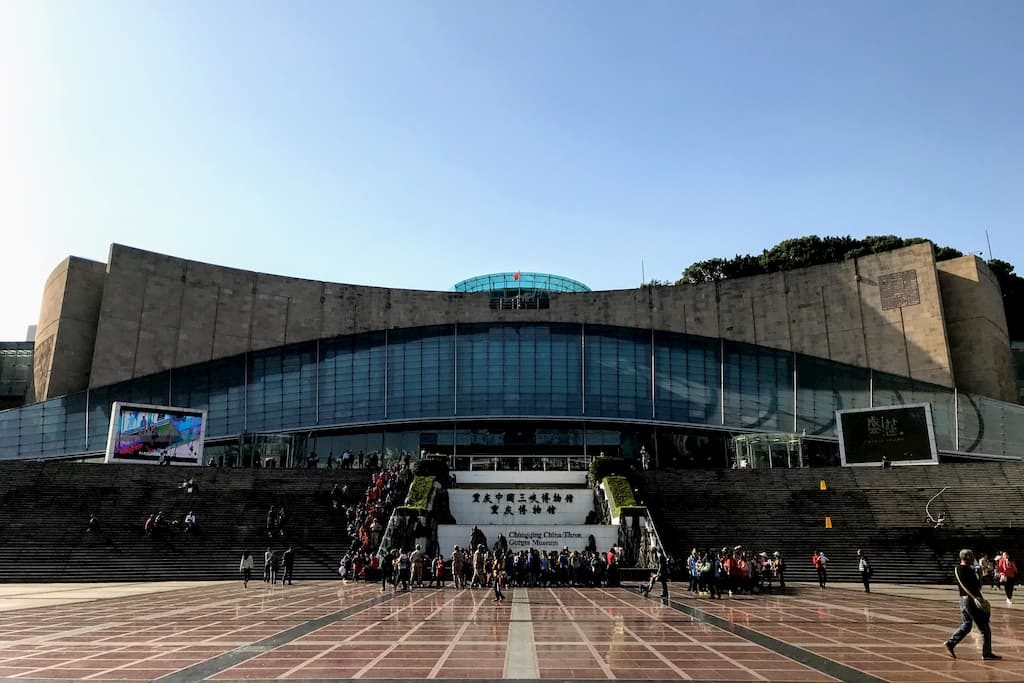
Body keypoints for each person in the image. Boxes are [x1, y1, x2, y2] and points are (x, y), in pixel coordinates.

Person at [946, 549, 1000, 660]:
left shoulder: (963, 569)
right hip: (971, 601)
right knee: (985, 628)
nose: (973, 559)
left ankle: (951, 643)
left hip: (964, 600)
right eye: (971, 557)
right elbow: (971, 586)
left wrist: (978, 575)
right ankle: (986, 653)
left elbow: (972, 586)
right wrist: (975, 596)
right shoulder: (963, 569)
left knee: (967, 625)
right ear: (966, 557)